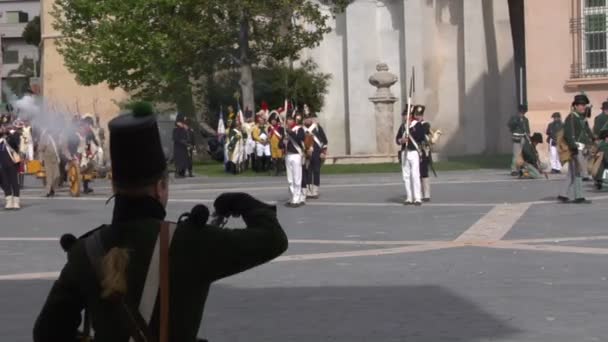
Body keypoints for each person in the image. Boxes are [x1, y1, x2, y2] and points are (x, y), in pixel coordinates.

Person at [33, 102, 288, 342]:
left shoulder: (84, 251)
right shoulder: (190, 241)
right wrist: (242, 202)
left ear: (114, 185)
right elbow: (273, 239)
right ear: (160, 187)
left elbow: (47, 332)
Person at [558, 94, 594, 204]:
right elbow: (568, 133)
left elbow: (587, 132)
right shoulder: (571, 117)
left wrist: (592, 140)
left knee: (572, 173)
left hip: (582, 148)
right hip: (575, 148)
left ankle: (563, 194)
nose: (583, 107)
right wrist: (573, 147)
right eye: (581, 105)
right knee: (578, 173)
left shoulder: (582, 118)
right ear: (576, 106)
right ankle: (579, 197)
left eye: (584, 105)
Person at [396, 106, 426, 206]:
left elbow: (421, 136)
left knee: (415, 175)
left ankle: (418, 198)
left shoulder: (417, 125)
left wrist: (411, 130)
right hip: (405, 152)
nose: (405, 117)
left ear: (410, 116)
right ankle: (409, 197)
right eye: (404, 115)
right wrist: (401, 140)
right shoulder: (402, 127)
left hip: (413, 152)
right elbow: (397, 139)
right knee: (406, 176)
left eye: (406, 115)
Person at [302, 111, 328, 199]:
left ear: (312, 119)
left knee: (316, 171)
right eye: (306, 118)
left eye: (309, 117)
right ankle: (309, 191)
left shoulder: (317, 128)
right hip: (306, 154)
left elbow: (324, 140)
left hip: (317, 153)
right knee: (308, 172)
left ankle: (315, 190)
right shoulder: (302, 129)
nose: (308, 119)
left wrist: (323, 152)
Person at [284, 113, 305, 207]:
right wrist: (283, 141)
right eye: (288, 119)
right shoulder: (285, 131)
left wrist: (290, 132)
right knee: (290, 179)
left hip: (296, 155)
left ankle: (297, 199)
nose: (289, 121)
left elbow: (300, 139)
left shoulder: (299, 129)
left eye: (290, 119)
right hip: (288, 155)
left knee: (297, 178)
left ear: (294, 120)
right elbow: (280, 144)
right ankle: (293, 197)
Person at [0, 125, 21, 209]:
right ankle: (9, 200)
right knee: (5, 183)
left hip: (12, 164)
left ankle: (16, 201)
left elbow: (16, 142)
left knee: (14, 182)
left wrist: (7, 132)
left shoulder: (9, 138)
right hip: (1, 165)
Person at [415, 105, 433, 202]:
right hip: (415, 151)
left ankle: (426, 193)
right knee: (416, 173)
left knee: (424, 172)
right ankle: (419, 193)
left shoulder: (426, 125)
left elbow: (421, 134)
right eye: (417, 115)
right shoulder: (413, 125)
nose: (418, 117)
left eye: (420, 115)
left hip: (423, 151)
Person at [508, 104, 531, 176]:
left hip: (523, 137)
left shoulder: (525, 119)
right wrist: (517, 120)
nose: (522, 113)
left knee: (523, 154)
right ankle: (514, 169)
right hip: (516, 137)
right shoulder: (514, 118)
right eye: (521, 112)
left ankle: (521, 168)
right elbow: (510, 125)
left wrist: (528, 137)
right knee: (516, 154)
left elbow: (527, 129)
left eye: (523, 112)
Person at [39, 128, 61, 197]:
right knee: (49, 175)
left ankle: (52, 188)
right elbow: (41, 149)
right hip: (47, 158)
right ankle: (48, 191)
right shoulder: (45, 138)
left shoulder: (57, 138)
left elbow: (60, 148)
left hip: (55, 158)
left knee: (57, 175)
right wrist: (41, 159)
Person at [268, 112, 285, 176]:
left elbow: (282, 135)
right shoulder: (270, 128)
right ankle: (275, 170)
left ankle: (280, 171)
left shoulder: (280, 128)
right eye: (272, 120)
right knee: (274, 158)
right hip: (272, 144)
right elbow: (269, 136)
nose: (273, 122)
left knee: (280, 158)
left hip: (279, 144)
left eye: (274, 120)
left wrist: (281, 142)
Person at [172, 113, 189, 178]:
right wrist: (183, 142)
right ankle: (177, 173)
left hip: (184, 147)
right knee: (179, 160)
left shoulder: (184, 127)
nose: (185, 118)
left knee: (184, 160)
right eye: (184, 117)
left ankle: (182, 173)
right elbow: (175, 138)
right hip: (178, 147)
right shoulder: (176, 128)